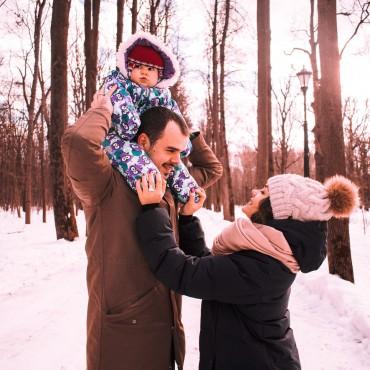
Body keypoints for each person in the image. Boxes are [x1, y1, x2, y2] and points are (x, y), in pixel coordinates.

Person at [61, 87, 223, 370]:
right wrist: (103, 108)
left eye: (180, 152)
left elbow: (211, 169)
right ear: (144, 142)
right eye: (170, 150)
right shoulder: (106, 184)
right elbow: (78, 142)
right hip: (122, 337)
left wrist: (190, 134)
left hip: (166, 337)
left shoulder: (170, 184)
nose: (177, 160)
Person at [135, 173, 359, 370]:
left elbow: (185, 273)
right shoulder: (267, 252)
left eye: (263, 192)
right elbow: (211, 272)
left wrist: (152, 209)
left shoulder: (264, 266)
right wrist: (186, 220)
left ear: (277, 212)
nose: (254, 191)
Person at [103, 31, 199, 203]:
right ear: (129, 68)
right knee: (129, 154)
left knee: (172, 162)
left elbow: (176, 119)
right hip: (120, 135)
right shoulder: (119, 83)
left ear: (160, 75)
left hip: (153, 139)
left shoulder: (163, 96)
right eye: (138, 67)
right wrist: (128, 122)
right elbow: (118, 100)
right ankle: (149, 182)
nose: (144, 73)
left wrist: (183, 144)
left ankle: (189, 192)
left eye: (150, 69)